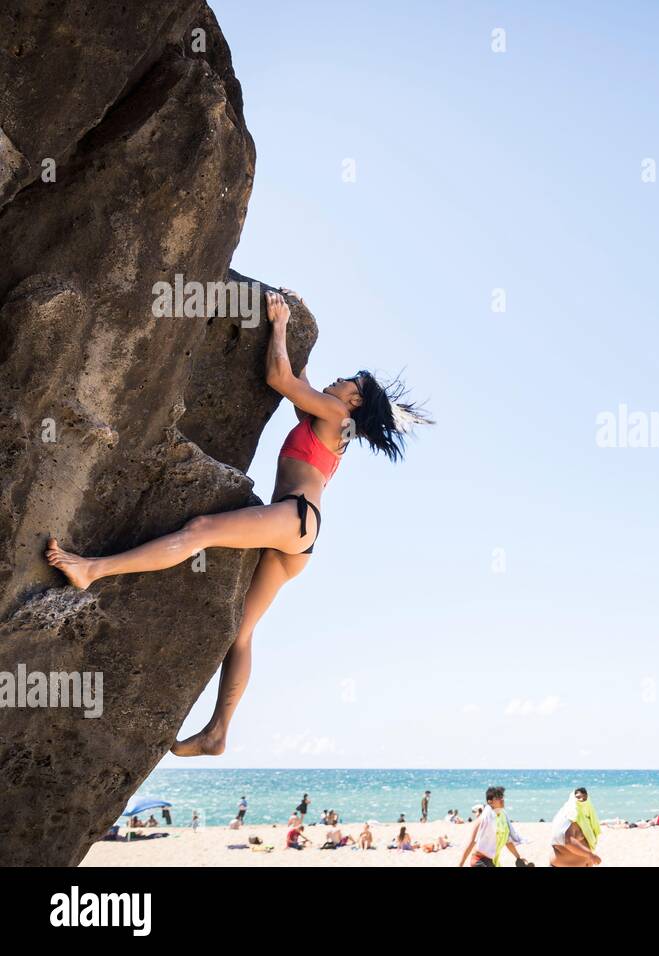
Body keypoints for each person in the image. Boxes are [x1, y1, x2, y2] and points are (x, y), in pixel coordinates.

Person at [45, 289, 433, 756]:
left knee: (200, 531)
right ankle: (219, 732)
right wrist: (293, 315)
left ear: (353, 402)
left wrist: (281, 324)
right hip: (299, 536)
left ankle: (93, 570)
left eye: (347, 382)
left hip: (293, 519)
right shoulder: (330, 418)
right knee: (241, 630)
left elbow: (278, 375)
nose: (337, 380)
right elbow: (297, 380)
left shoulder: (335, 413)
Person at [458, 786, 532, 867]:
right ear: (490, 802)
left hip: (492, 861)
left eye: (502, 797)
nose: (502, 799)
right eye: (498, 797)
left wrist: (518, 857)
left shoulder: (502, 819)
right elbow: (471, 842)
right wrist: (460, 864)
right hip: (479, 860)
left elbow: (507, 841)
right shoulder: (483, 819)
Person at [550, 787, 602, 867]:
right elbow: (568, 841)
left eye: (584, 798)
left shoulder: (584, 819)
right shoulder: (569, 817)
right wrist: (591, 855)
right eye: (578, 797)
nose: (581, 800)